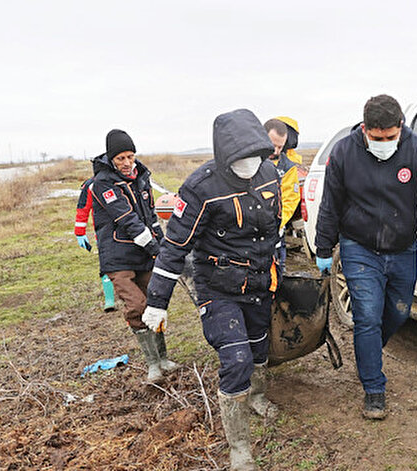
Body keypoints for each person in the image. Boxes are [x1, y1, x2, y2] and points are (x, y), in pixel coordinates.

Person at [142, 109, 281, 471]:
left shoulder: (269, 174)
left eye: (256, 156)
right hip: (217, 286)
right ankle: (240, 449)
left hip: (259, 281)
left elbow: (272, 228)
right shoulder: (200, 188)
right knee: (236, 360)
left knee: (259, 347)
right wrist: (157, 300)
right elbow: (174, 246)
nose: (250, 164)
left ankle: (258, 396)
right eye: (242, 158)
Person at [314, 95, 417, 420]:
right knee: (367, 317)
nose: (384, 143)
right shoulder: (344, 153)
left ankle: (367, 350)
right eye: (376, 138)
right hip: (359, 247)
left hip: (402, 249)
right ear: (365, 129)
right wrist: (324, 248)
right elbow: (330, 205)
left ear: (400, 127)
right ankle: (373, 388)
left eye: (390, 137)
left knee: (398, 313)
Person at [90, 129, 178, 384]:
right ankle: (152, 365)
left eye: (130, 156)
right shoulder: (103, 185)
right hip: (118, 257)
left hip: (143, 254)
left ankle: (163, 359)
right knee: (137, 307)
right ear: (111, 159)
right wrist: (156, 249)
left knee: (154, 303)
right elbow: (127, 219)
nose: (127, 163)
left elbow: (150, 216)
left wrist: (163, 245)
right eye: (120, 159)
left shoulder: (141, 177)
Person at [263, 118, 301, 274]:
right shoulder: (248, 163)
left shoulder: (288, 168)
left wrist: (275, 222)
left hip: (274, 234)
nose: (276, 151)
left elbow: (290, 200)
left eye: (280, 147)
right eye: (273, 146)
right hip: (247, 237)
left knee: (277, 274)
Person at [74, 174, 116, 312]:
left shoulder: (126, 178)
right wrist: (80, 232)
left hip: (130, 231)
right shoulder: (92, 184)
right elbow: (83, 208)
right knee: (106, 265)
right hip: (104, 234)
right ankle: (109, 300)